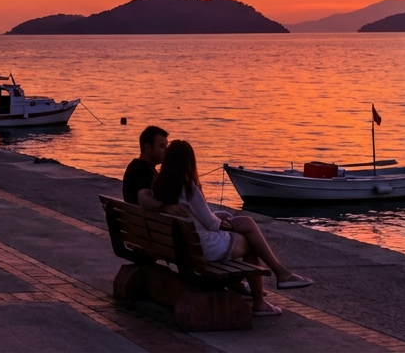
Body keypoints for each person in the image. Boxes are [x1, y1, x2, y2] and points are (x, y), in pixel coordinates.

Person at [153, 140, 312, 317]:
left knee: (245, 222)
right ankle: (263, 298)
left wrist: (218, 217)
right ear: (188, 162)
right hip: (204, 248)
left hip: (182, 246)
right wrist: (218, 220)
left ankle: (280, 275)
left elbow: (195, 216)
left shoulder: (159, 187)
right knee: (251, 242)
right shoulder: (189, 188)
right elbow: (211, 225)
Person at [122, 125, 168, 207]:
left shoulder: (133, 166)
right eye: (161, 146)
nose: (166, 151)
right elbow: (144, 199)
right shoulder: (145, 172)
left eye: (166, 146)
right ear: (147, 147)